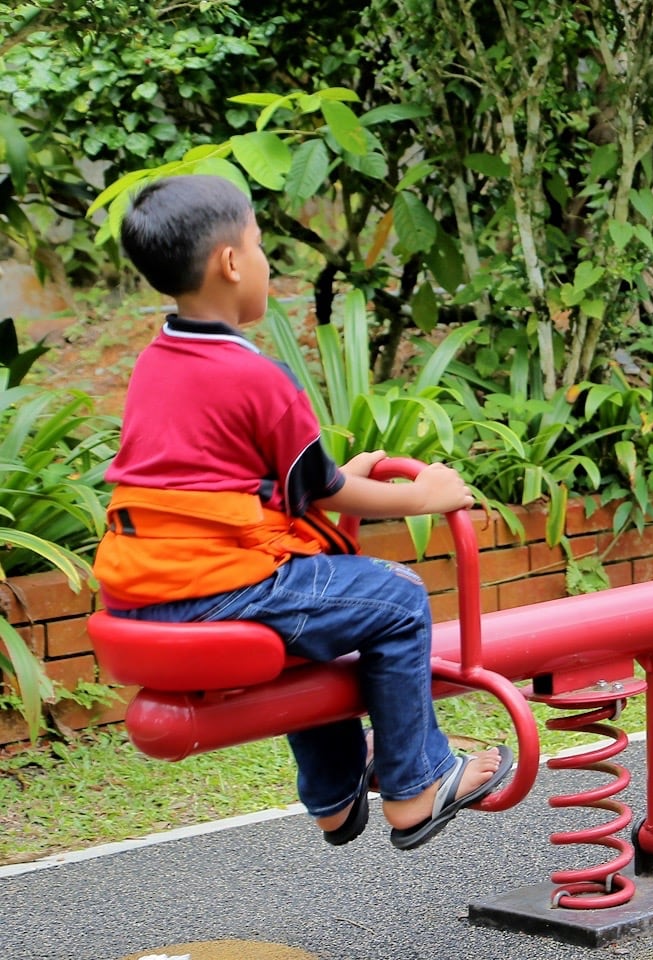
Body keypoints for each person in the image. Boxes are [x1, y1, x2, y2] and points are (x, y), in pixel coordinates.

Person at [93, 174, 512, 851]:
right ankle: (417, 784)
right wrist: (421, 496)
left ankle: (335, 795)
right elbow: (321, 491)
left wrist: (343, 473)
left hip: (139, 591)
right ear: (231, 263)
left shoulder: (155, 363)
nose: (264, 262)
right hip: (214, 589)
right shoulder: (256, 374)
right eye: (259, 247)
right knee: (397, 599)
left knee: (318, 607)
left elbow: (250, 485)